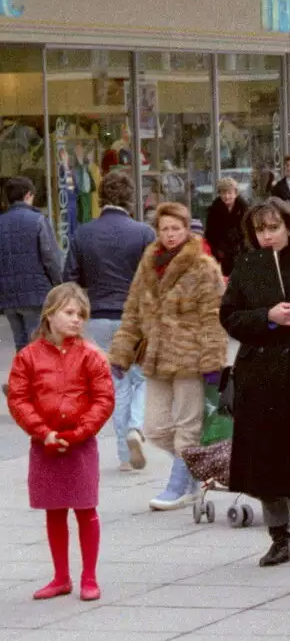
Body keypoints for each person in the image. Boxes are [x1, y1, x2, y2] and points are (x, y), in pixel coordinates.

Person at [220, 198, 290, 567]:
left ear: (289, 227)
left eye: (273, 227)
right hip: (259, 375)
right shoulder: (246, 265)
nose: (267, 235)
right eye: (260, 229)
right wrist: (269, 317)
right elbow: (229, 317)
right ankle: (279, 535)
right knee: (263, 458)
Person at [109, 200, 227, 511]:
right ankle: (192, 466)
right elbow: (133, 311)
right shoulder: (148, 264)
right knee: (154, 427)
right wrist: (121, 352)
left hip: (191, 357)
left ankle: (179, 487)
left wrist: (213, 361)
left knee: (188, 424)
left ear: (187, 230)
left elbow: (212, 316)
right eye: (164, 229)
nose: (170, 234)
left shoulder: (203, 266)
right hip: (157, 356)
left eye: (176, 228)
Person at [6, 283, 114, 601]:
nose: (76, 319)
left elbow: (103, 399)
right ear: (49, 315)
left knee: (85, 508)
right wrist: (43, 432)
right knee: (54, 510)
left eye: (81, 314)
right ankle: (61, 576)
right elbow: (19, 399)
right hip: (45, 444)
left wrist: (81, 431)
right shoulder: (28, 357)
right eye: (69, 313)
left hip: (80, 443)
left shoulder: (91, 356)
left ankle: (89, 576)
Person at [62, 170, 153, 473]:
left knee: (115, 385)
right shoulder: (142, 233)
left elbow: (70, 279)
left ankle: (124, 457)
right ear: (130, 198)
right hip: (134, 318)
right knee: (140, 379)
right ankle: (136, 428)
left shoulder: (83, 233)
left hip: (99, 316)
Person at [0, 176, 63, 357]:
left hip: (8, 296)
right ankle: (37, 384)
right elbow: (50, 258)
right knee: (38, 345)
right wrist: (58, 285)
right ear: (28, 195)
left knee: (21, 345)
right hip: (35, 294)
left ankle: (24, 382)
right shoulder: (38, 220)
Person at [204, 178, 249, 278]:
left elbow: (249, 232)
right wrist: (218, 251)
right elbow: (210, 235)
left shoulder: (244, 209)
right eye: (223, 193)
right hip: (221, 254)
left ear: (236, 193)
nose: (227, 196)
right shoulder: (213, 211)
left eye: (230, 193)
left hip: (241, 252)